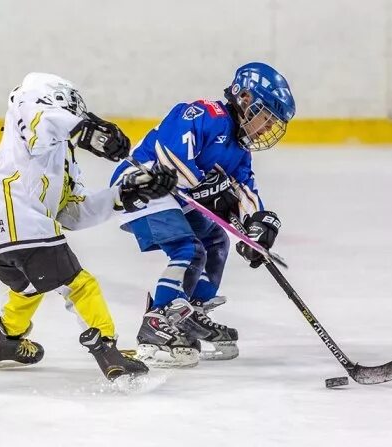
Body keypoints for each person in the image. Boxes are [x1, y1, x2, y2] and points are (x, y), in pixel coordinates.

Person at [0, 72, 178, 380]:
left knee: (30, 286)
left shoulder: (61, 157)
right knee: (78, 285)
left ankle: (5, 341)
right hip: (15, 217)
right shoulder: (30, 102)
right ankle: (108, 350)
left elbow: (72, 214)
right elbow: (43, 116)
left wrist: (126, 193)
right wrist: (87, 131)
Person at [109, 62, 296, 367]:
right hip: (141, 186)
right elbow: (170, 155)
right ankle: (158, 320)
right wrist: (205, 187)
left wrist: (257, 226)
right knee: (188, 248)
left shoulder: (239, 151)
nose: (266, 129)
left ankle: (190, 312)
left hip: (175, 199)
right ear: (245, 98)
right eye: (266, 118)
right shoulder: (204, 114)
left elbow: (244, 192)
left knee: (216, 241)